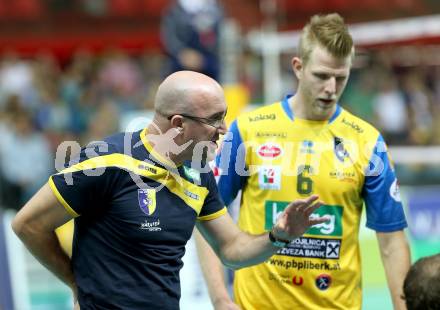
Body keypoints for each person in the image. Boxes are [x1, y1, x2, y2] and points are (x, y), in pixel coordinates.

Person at [11, 70, 330, 309]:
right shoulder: (105, 162)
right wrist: (74, 281)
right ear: (178, 123)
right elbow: (27, 224)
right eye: (215, 120)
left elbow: (231, 250)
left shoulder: (197, 172)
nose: (222, 131)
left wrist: (279, 236)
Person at [195, 13, 411, 310]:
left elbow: (391, 241)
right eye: (321, 76)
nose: (331, 89)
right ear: (298, 67)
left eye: (340, 77)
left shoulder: (367, 142)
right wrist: (220, 298)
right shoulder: (248, 130)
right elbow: (207, 214)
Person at [161, 0, 223, 80]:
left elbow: (221, 35)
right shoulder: (174, 9)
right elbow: (169, 36)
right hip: (180, 57)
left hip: (207, 58)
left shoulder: (215, 8)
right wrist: (182, 53)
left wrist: (201, 59)